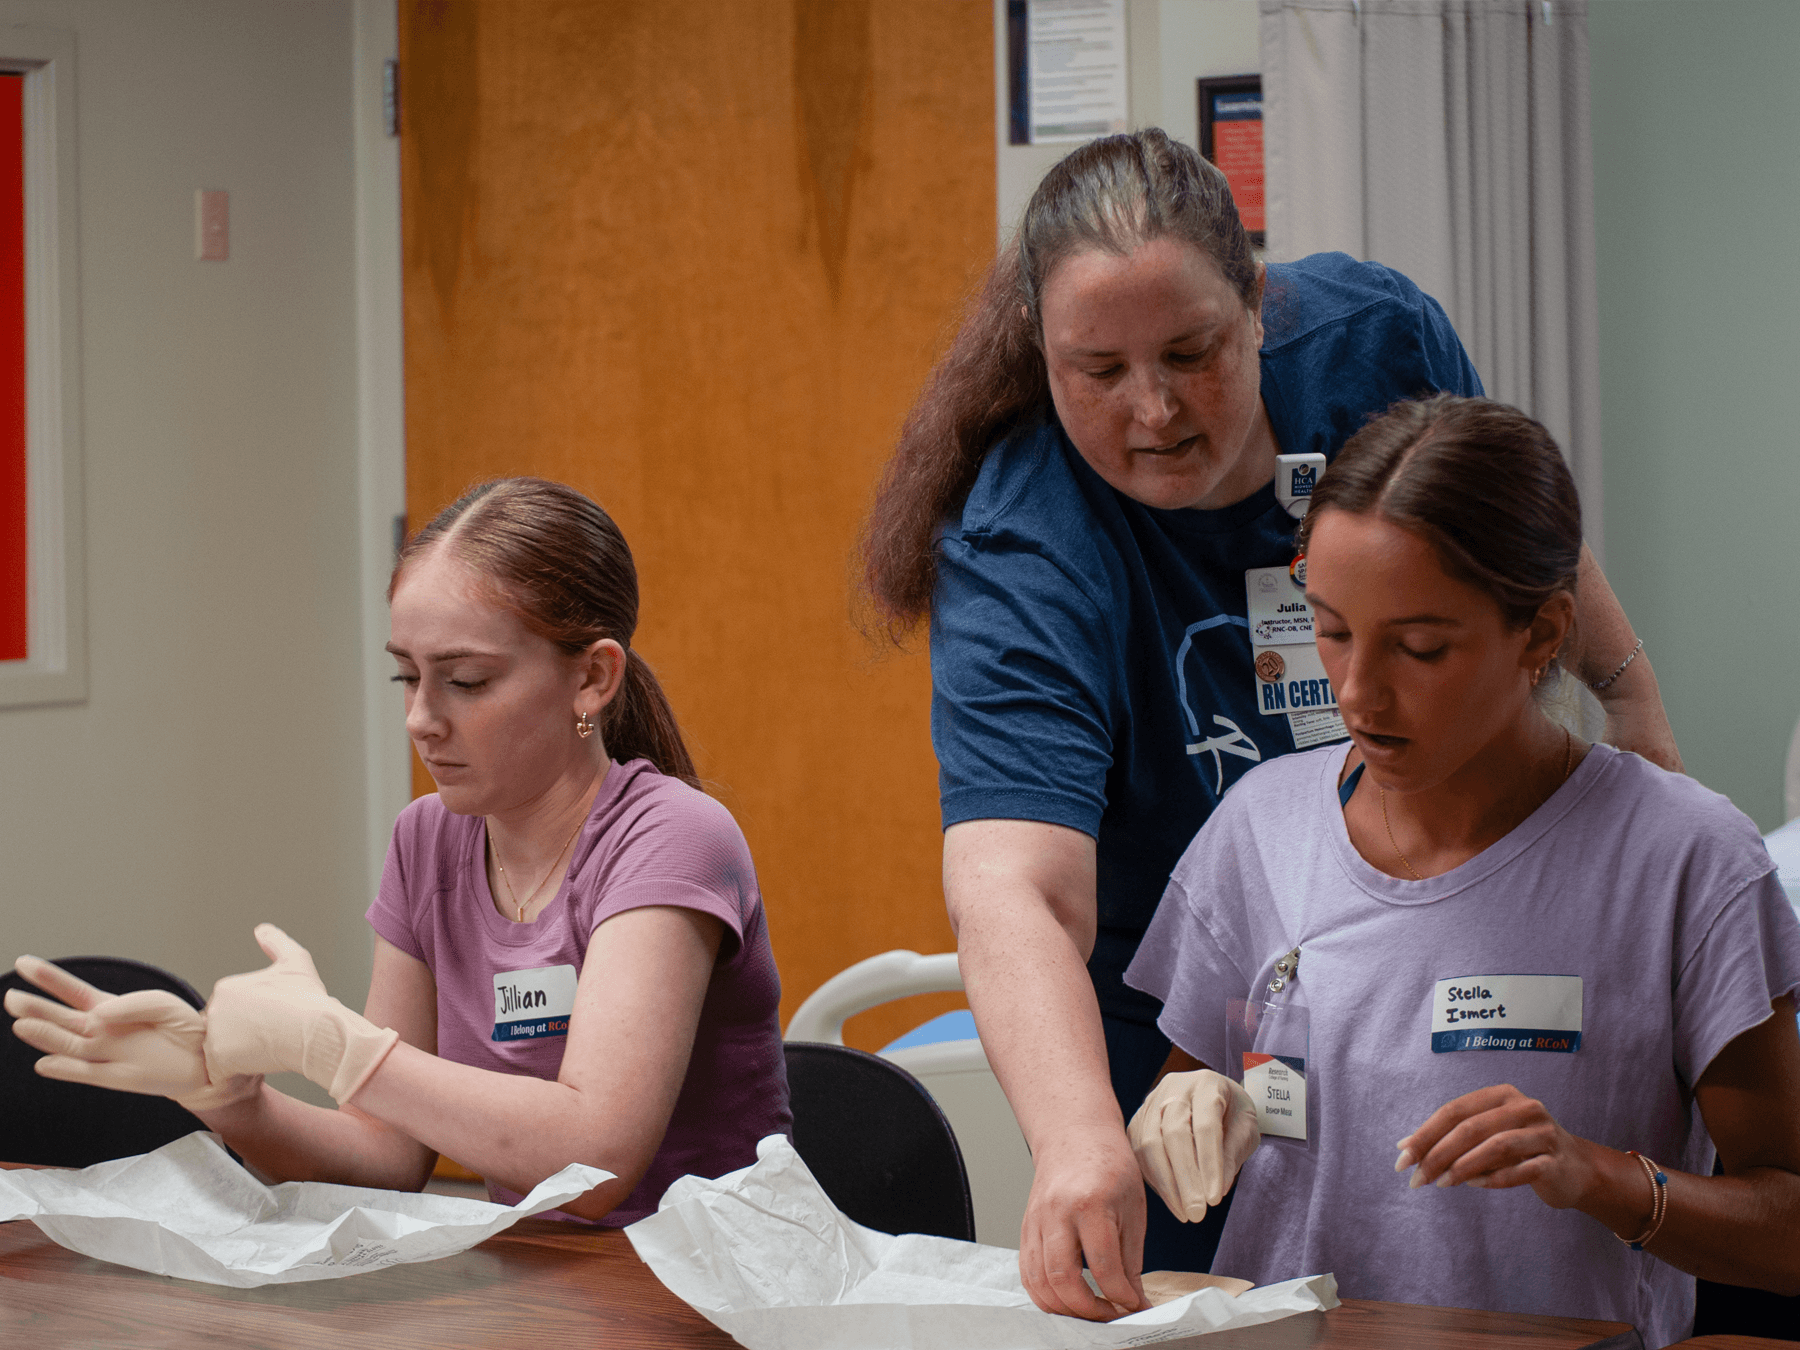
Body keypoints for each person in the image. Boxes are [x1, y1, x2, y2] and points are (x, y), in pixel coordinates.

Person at [860, 127, 1682, 1317]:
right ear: (1040, 347)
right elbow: (1014, 884)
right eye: (1097, 371)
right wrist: (1079, 1138)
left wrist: (1635, 707)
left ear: (1257, 304)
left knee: (1489, 1258)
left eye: (1191, 354)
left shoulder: (1370, 345)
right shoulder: (1024, 545)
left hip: (1440, 933)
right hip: (1185, 999)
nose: (1153, 411)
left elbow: (1518, 534)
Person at [1124, 395, 1800, 1348]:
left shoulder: (1684, 861)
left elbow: (1788, 1227)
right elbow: (1214, 1085)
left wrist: (1597, 1177)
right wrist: (1181, 1111)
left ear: (1542, 633)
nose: (1359, 694)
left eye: (1420, 648)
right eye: (1332, 630)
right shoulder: (1261, 829)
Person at [7, 477, 791, 1225]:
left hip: (716, 1285)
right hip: (547, 1287)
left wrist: (339, 1047)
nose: (420, 718)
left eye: (467, 681)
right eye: (406, 678)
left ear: (592, 677)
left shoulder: (672, 836)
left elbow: (594, 1162)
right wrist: (230, 1100)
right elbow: (387, 1158)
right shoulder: (427, 840)